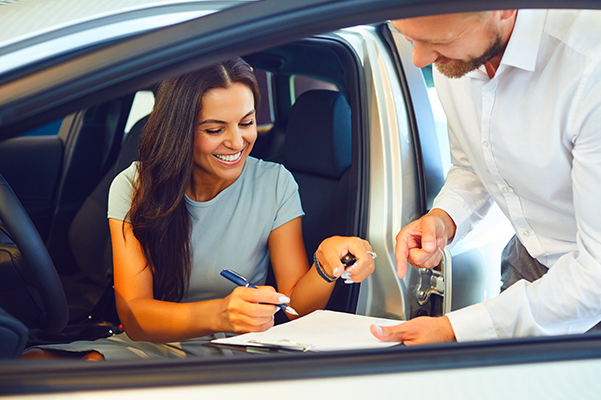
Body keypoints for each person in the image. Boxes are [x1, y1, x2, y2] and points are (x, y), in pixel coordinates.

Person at [23, 58, 374, 360]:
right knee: (31, 362)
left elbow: (296, 309)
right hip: (154, 344)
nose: (237, 142)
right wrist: (221, 313)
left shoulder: (275, 183)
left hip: (237, 351)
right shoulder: (135, 185)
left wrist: (325, 266)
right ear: (180, 131)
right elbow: (136, 317)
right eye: (214, 129)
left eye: (247, 122)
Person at [371, 9, 601, 345]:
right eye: (409, 38)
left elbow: (596, 275)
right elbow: (472, 166)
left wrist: (456, 330)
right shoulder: (455, 61)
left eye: (438, 41)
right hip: (528, 265)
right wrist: (443, 218)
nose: (420, 60)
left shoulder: (588, 69)